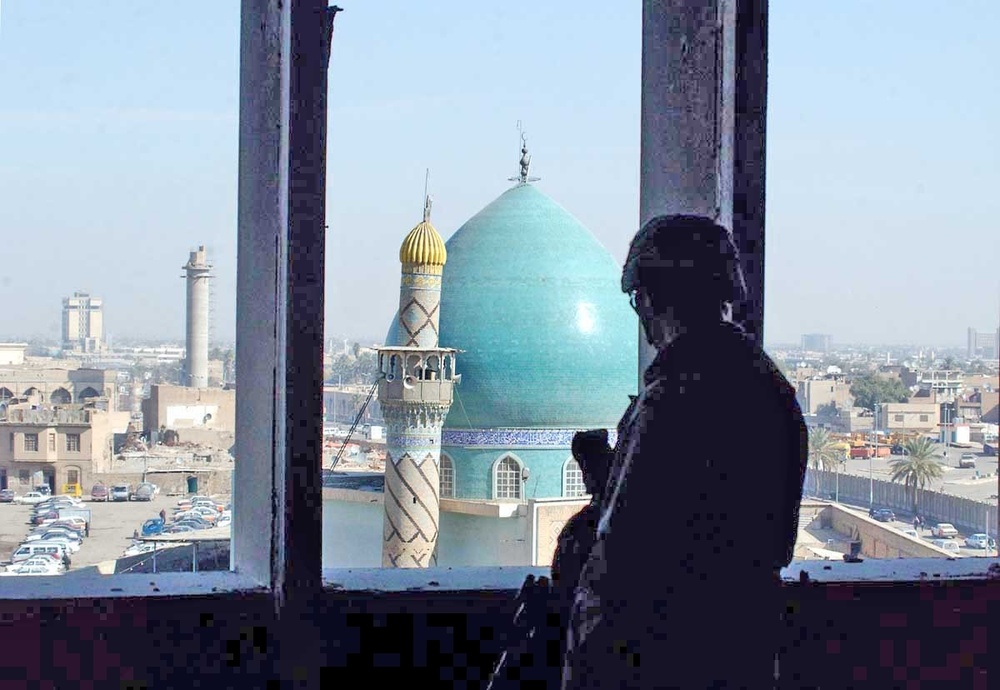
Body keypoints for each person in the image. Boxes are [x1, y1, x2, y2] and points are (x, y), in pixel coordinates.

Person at [562, 215, 808, 689]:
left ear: (654, 296)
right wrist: (609, 476)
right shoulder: (768, 389)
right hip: (736, 650)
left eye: (641, 300)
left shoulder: (676, 396)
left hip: (660, 656)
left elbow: (629, 558)